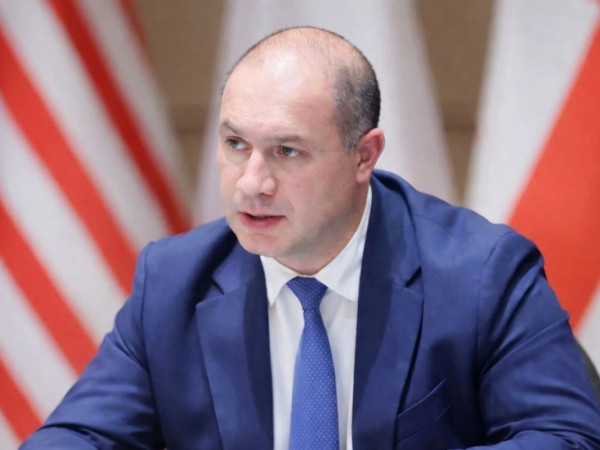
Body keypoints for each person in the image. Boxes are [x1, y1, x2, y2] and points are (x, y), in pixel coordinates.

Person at [21, 26, 600, 449]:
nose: (252, 183)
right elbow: (80, 436)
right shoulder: (173, 283)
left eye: (287, 151)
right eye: (235, 144)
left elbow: (566, 437)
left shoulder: (481, 273)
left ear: (364, 156)